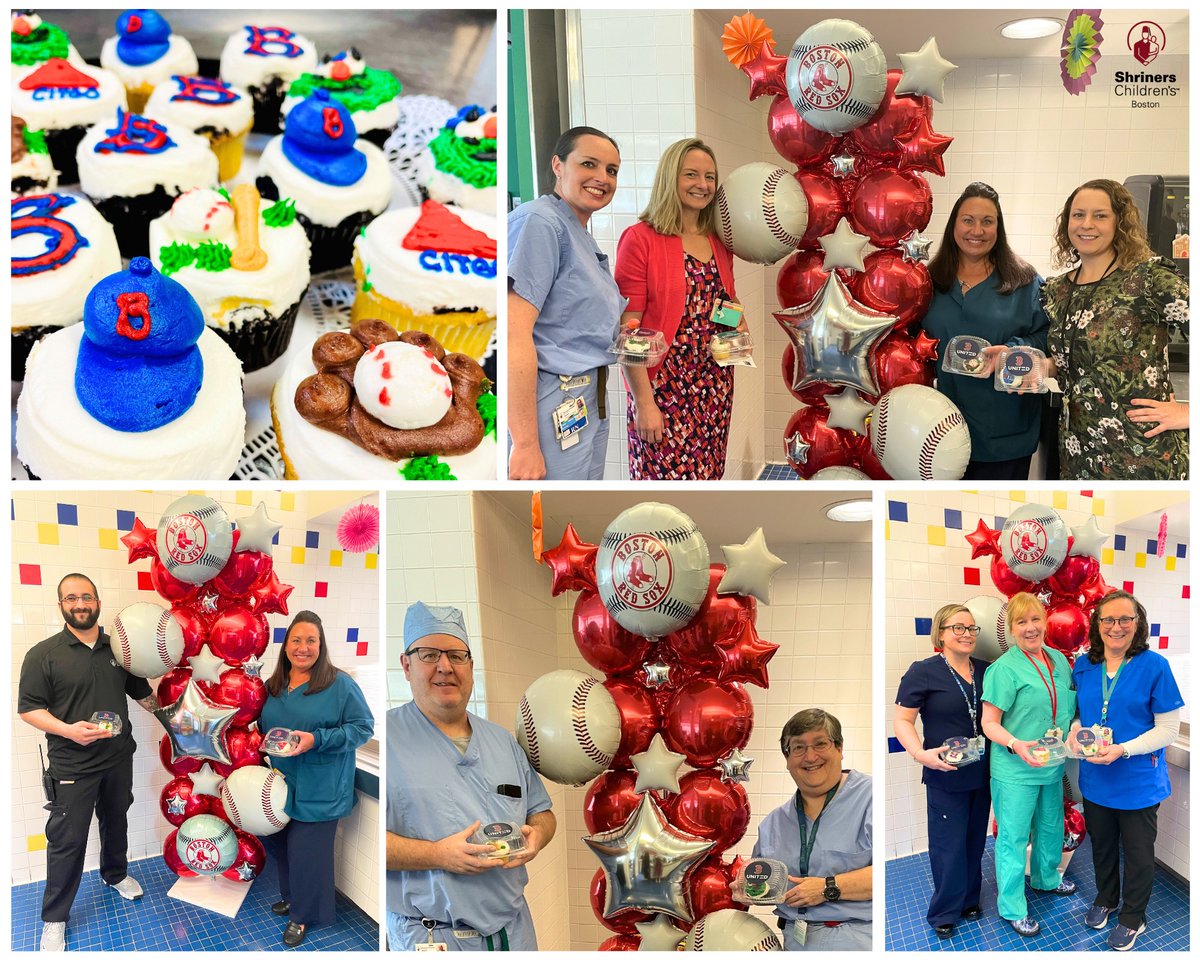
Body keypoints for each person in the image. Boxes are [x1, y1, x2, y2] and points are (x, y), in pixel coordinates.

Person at [386, 602, 556, 950]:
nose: (445, 667)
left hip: (513, 932)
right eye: (429, 654)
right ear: (406, 665)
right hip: (432, 936)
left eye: (456, 655)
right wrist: (437, 855)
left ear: (471, 666)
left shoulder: (502, 742)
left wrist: (537, 835)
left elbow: (543, 814)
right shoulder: (389, 739)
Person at [17, 574, 160, 952]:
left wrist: (180, 714)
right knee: (67, 840)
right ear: (61, 604)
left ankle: (115, 875)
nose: (79, 604)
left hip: (117, 758)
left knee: (116, 821)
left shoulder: (121, 650)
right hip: (72, 764)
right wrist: (67, 730)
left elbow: (145, 697)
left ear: (98, 602)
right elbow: (29, 709)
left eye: (86, 597)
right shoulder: (43, 654)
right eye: (71, 598)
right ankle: (54, 918)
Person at [613, 138, 743, 480]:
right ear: (671, 178)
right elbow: (629, 330)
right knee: (663, 482)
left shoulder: (718, 241)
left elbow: (722, 304)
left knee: (709, 476)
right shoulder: (640, 239)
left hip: (714, 385)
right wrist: (643, 402)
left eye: (710, 177)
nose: (702, 185)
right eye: (691, 175)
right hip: (664, 388)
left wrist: (737, 328)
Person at [1042, 178, 1189, 480]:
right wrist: (1023, 364)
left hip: (1142, 451)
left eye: (1100, 215)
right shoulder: (1057, 290)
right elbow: (1073, 360)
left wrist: (1190, 413)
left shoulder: (1149, 278)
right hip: (1078, 449)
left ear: (1119, 222)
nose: (1087, 224)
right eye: (1078, 214)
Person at [507, 126, 625, 481]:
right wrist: (525, 444)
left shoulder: (577, 231)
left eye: (611, 170)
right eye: (588, 164)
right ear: (557, 165)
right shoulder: (540, 223)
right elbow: (515, 335)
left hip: (586, 398)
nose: (601, 178)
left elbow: (569, 319)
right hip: (553, 399)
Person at [1068, 591, 1183, 951]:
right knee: (1102, 846)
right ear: (1097, 625)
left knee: (1136, 853)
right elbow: (1079, 713)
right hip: (1096, 777)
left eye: (1125, 620)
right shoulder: (1084, 665)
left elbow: (1168, 729)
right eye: (1108, 620)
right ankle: (1106, 899)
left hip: (1138, 781)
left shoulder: (1154, 666)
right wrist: (1074, 730)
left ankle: (1133, 916)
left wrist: (1123, 749)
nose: (1116, 627)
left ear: (1138, 624)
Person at [258, 610, 374, 947]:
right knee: (282, 848)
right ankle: (294, 898)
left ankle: (302, 916)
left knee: (308, 855)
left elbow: (362, 728)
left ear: (321, 646)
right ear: (286, 645)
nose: (303, 647)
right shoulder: (275, 685)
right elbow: (264, 726)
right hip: (281, 784)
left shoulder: (339, 685)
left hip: (321, 788)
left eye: (311, 640)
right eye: (296, 640)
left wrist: (317, 740)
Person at [923, 182, 1048, 480]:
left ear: (998, 228)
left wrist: (1012, 351)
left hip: (1005, 435)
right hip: (937, 433)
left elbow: (1048, 338)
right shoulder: (928, 282)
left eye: (987, 221)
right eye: (968, 220)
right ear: (954, 225)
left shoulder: (1025, 282)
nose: (976, 230)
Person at [980, 592, 1078, 937]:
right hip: (1015, 770)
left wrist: (1075, 732)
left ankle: (1047, 879)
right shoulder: (1003, 669)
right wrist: (1016, 744)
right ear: (1011, 628)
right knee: (1013, 837)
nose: (1030, 627)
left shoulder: (1059, 660)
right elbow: (989, 723)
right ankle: (1012, 907)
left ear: (1045, 622)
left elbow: (1069, 709)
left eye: (1035, 619)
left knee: (1051, 828)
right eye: (1021, 622)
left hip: (1051, 765)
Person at [893, 604, 990, 940]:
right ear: (941, 633)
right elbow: (903, 720)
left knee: (975, 840)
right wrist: (920, 754)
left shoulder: (986, 670)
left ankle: (969, 900)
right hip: (945, 773)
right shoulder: (924, 671)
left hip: (984, 772)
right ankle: (944, 911)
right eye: (957, 627)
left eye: (971, 628)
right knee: (948, 845)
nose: (966, 634)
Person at [753, 709, 872, 951]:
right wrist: (746, 889)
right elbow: (765, 886)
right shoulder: (773, 824)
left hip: (857, 937)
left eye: (820, 744)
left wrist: (828, 887)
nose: (809, 757)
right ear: (787, 759)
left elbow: (887, 874)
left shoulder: (870, 798)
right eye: (798, 748)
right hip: (795, 939)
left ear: (839, 748)